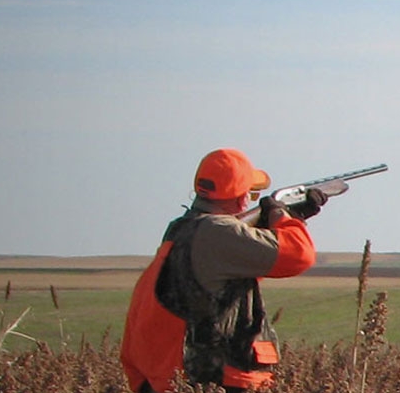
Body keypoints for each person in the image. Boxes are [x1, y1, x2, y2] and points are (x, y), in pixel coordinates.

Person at [122, 148, 324, 392]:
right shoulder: (217, 231)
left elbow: (230, 279)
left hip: (173, 379)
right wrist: (283, 215)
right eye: (251, 192)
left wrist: (285, 220)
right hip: (217, 379)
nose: (250, 199)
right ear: (241, 198)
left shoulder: (182, 229)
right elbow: (299, 255)